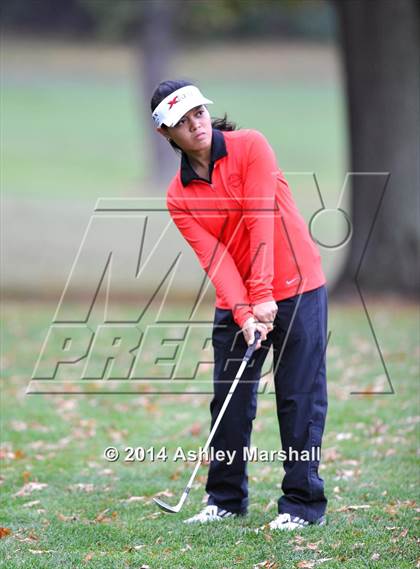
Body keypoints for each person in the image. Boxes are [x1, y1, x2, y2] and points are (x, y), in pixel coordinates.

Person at [150, 80, 328, 531]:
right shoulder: (178, 196)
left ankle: (302, 505)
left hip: (298, 285)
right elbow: (216, 259)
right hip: (242, 297)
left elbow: (259, 217)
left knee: (298, 397)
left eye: (199, 115)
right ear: (166, 135)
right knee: (229, 400)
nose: (196, 126)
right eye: (182, 123)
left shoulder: (251, 147)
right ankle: (225, 499)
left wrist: (265, 293)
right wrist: (245, 311)